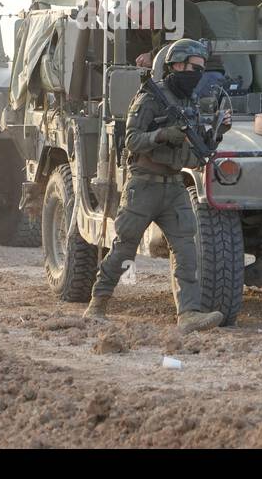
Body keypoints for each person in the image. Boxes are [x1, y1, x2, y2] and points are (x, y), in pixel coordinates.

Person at [84, 39, 231, 334]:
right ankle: (97, 305)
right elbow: (132, 140)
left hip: (174, 186)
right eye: (192, 68)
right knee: (124, 249)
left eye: (201, 69)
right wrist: (162, 135)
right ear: (175, 65)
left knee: (186, 251)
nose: (197, 75)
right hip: (144, 186)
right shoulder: (149, 99)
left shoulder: (187, 102)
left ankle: (188, 313)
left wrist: (215, 133)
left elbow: (195, 149)